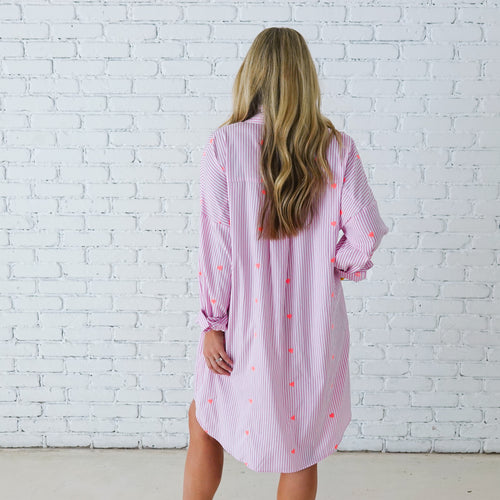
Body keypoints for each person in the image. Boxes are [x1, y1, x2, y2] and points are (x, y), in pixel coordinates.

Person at [183, 27, 389, 500]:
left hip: (242, 322)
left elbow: (217, 248)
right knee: (301, 444)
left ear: (251, 76)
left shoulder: (224, 146)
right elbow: (367, 233)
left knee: (204, 419)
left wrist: (213, 323)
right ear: (305, 78)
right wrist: (333, 267)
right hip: (314, 326)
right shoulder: (337, 147)